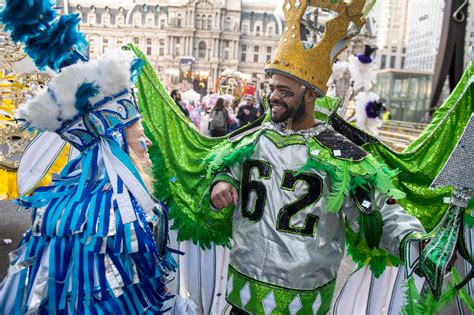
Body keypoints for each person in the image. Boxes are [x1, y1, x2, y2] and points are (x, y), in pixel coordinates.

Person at [207, 1, 427, 314]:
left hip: (302, 302)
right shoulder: (255, 140)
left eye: (285, 91)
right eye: (273, 89)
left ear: (310, 94)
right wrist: (221, 182)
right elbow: (225, 167)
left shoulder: (341, 153)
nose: (273, 97)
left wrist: (413, 241)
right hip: (244, 294)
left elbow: (378, 207)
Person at [0, 50, 176, 314]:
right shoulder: (108, 215)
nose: (147, 142)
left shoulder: (106, 200)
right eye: (140, 135)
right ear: (116, 145)